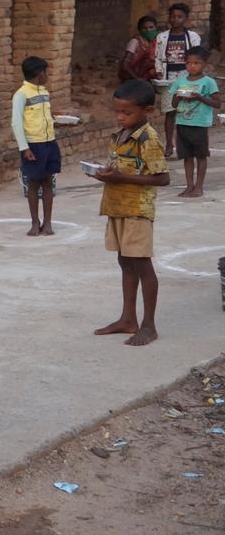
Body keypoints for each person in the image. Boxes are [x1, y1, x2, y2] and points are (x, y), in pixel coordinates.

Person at [89, 80, 170, 346]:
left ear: (147, 111)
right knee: (125, 262)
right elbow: (122, 167)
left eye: (127, 112)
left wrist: (120, 177)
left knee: (142, 265)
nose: (120, 117)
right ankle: (128, 318)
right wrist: (105, 173)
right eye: (118, 111)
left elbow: (162, 178)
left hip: (137, 210)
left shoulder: (148, 139)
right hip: (118, 207)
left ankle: (149, 325)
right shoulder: (121, 135)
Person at [11, 56, 61, 236]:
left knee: (48, 182)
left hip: (49, 142)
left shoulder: (44, 93)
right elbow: (16, 123)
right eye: (46, 72)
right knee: (33, 183)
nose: (47, 76)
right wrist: (24, 148)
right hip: (33, 144)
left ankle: (47, 222)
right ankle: (35, 222)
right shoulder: (21, 95)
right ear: (40, 74)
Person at [169, 46, 220, 197]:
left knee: (201, 155)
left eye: (196, 63)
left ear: (204, 64)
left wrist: (199, 97)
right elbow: (173, 104)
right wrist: (179, 96)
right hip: (182, 123)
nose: (192, 66)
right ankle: (189, 186)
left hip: (199, 124)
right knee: (187, 156)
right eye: (189, 63)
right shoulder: (179, 81)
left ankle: (199, 187)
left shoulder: (209, 82)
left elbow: (217, 103)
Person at [155, 2, 202, 157]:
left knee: (186, 110)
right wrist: (159, 72)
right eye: (173, 16)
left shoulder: (193, 37)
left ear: (186, 18)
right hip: (168, 78)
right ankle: (169, 143)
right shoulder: (162, 37)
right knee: (170, 111)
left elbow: (197, 57)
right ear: (169, 18)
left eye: (179, 17)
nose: (176, 19)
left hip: (186, 77)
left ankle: (185, 144)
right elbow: (158, 57)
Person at [119, 15, 158, 82]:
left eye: (151, 27)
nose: (148, 30)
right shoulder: (135, 42)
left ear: (156, 28)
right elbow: (125, 65)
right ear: (139, 30)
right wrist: (137, 79)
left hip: (146, 75)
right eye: (144, 28)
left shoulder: (155, 42)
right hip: (132, 76)